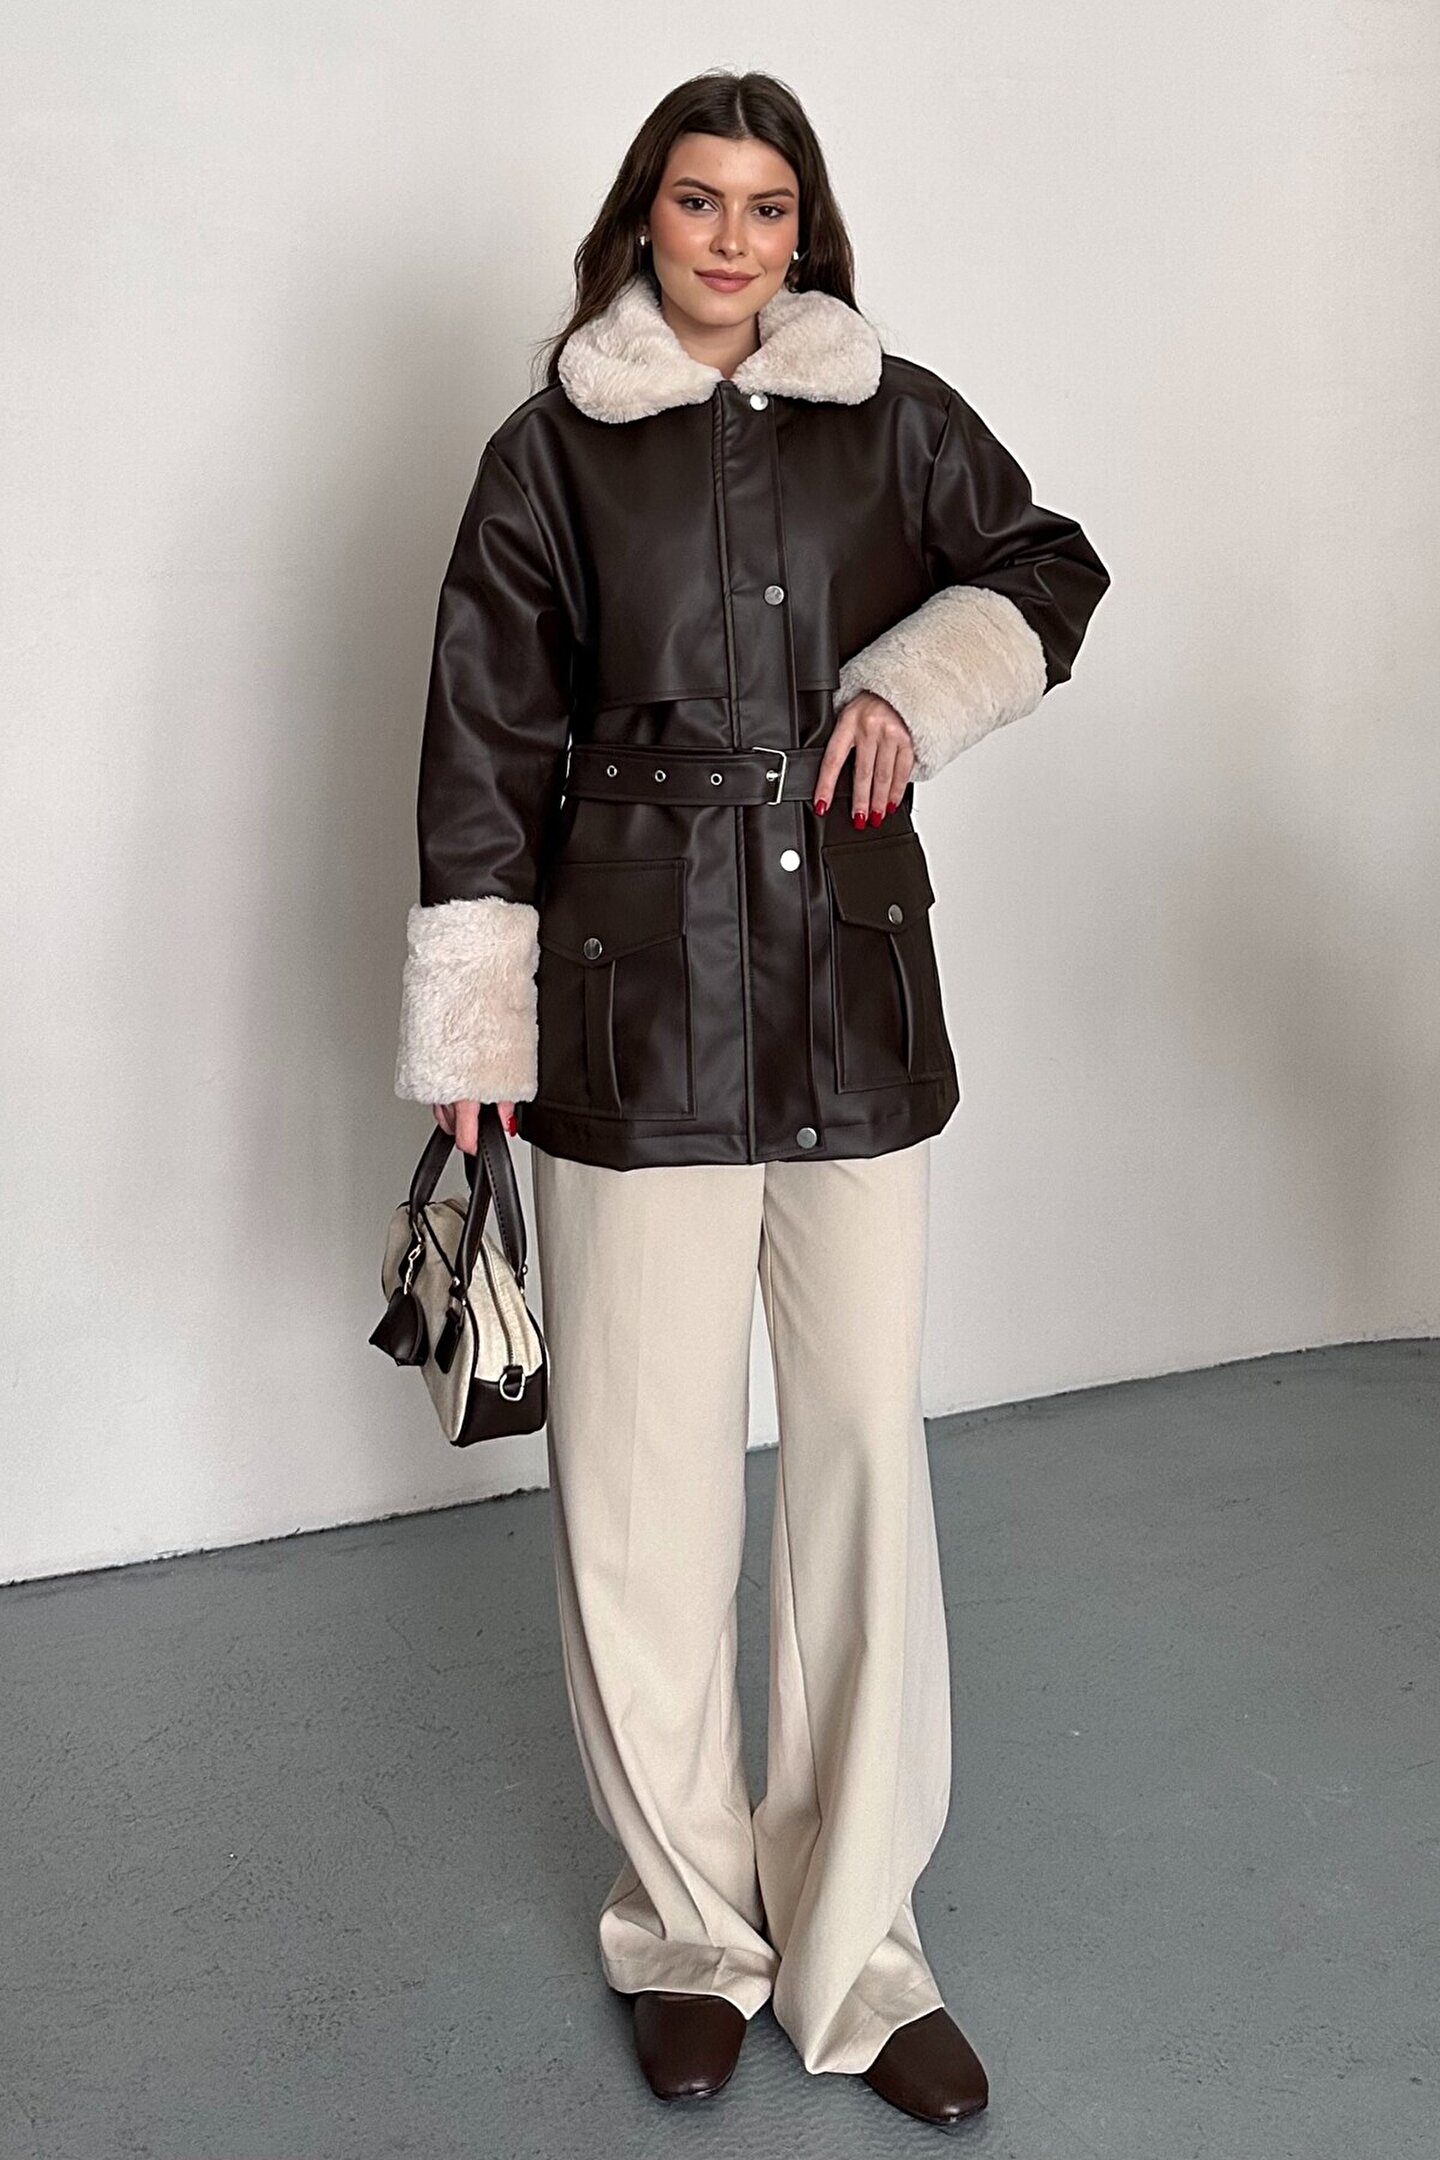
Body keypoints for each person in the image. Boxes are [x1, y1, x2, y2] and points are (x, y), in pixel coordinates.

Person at [393, 67, 1109, 2127]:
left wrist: (914, 687)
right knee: (639, 1493)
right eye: (698, 201)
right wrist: (475, 1044)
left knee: (863, 1462)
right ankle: (691, 1932)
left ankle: (860, 1949)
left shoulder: (893, 418)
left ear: (807, 228)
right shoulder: (547, 454)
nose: (731, 238)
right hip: (629, 1005)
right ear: (645, 217)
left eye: (767, 206)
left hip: (844, 997)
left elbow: (1048, 566)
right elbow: (481, 743)